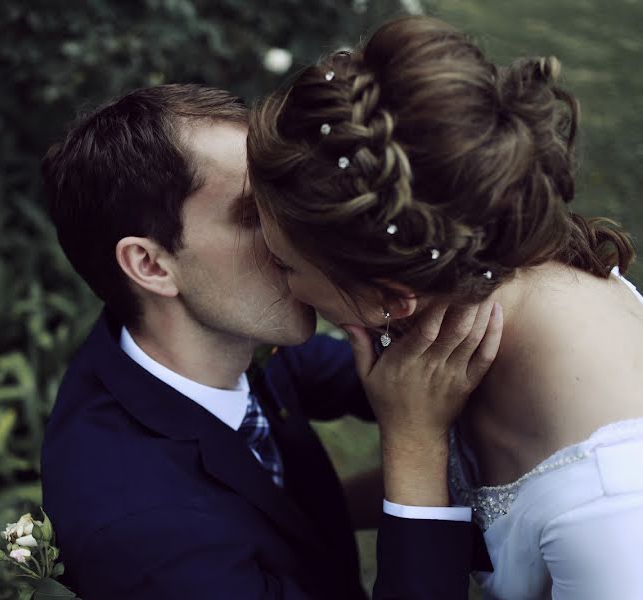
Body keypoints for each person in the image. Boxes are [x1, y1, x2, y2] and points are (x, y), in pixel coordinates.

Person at [39, 83, 500, 600]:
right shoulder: (148, 535)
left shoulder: (211, 338)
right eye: (254, 215)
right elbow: (413, 409)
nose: (298, 234)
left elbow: (402, 375)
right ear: (151, 265)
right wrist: (414, 443)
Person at [246, 15, 643, 600]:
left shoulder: (613, 521)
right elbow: (470, 491)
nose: (262, 270)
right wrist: (301, 516)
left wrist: (412, 440)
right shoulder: (478, 293)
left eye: (283, 264)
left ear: (391, 296)